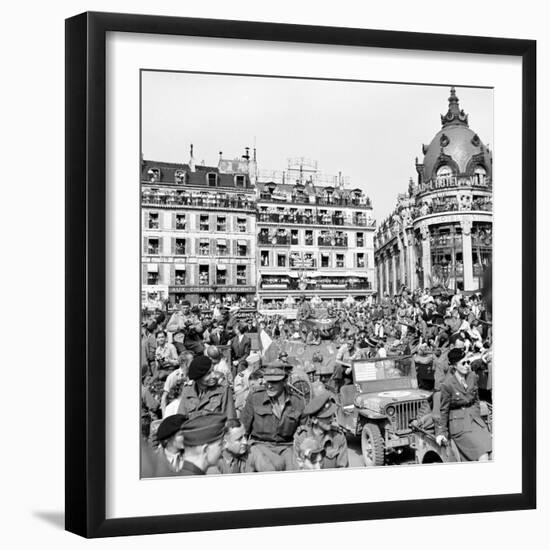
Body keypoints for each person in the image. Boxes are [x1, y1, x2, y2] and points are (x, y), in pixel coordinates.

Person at [240, 362, 306, 469]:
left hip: (286, 447)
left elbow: (304, 432)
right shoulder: (255, 398)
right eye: (268, 381)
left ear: (285, 382)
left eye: (274, 382)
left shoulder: (298, 401)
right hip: (260, 444)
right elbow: (243, 428)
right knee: (270, 467)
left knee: (294, 468)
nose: (269, 385)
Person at [436, 348, 492, 461]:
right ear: (454, 366)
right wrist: (441, 432)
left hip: (475, 422)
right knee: (483, 456)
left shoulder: (472, 377)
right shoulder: (447, 384)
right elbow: (444, 410)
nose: (467, 365)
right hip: (460, 426)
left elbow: (476, 399)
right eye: (463, 363)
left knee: (493, 453)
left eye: (468, 362)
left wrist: (476, 416)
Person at [292, 391, 348, 469]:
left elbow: (343, 468)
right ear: (314, 420)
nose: (332, 419)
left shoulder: (338, 437)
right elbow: (298, 468)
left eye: (331, 416)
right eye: (327, 417)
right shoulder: (301, 437)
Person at [177, 355, 236, 420]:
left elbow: (231, 420)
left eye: (213, 371)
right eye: (208, 373)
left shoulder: (223, 390)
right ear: (198, 378)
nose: (214, 376)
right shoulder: (187, 391)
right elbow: (180, 419)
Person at [216, 419, 285, 474]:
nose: (245, 442)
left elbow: (269, 471)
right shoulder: (214, 461)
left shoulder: (251, 451)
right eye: (239, 439)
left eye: (245, 436)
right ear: (225, 443)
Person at [161, 351, 193, 415]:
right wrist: (164, 417)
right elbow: (164, 398)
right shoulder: (173, 376)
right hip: (176, 411)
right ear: (184, 363)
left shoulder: (193, 374)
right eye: (191, 361)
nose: (194, 363)